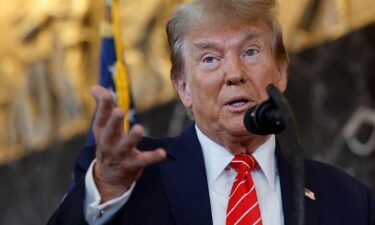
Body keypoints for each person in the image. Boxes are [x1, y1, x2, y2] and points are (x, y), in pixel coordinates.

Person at [47, 0, 375, 224]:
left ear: (281, 73)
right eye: (209, 59)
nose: (234, 73)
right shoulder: (130, 179)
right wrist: (107, 185)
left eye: (250, 51)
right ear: (184, 88)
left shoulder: (347, 199)